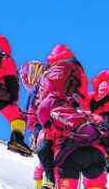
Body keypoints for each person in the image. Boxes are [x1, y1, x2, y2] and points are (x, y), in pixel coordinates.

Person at [35, 44, 89, 188]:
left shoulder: (59, 68)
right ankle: (54, 182)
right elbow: (84, 98)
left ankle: (48, 181)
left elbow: (48, 94)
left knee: (47, 149)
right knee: (62, 152)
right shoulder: (78, 70)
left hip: (54, 113)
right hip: (71, 115)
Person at [38, 93, 109, 189]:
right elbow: (106, 129)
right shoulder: (81, 114)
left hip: (72, 158)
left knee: (65, 164)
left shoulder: (49, 130)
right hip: (98, 158)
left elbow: (44, 153)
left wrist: (49, 179)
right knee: (95, 183)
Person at [20, 60, 49, 189]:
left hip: (41, 125)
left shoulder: (36, 88)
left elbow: (30, 112)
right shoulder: (53, 81)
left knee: (44, 155)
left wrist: (33, 133)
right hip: (58, 123)